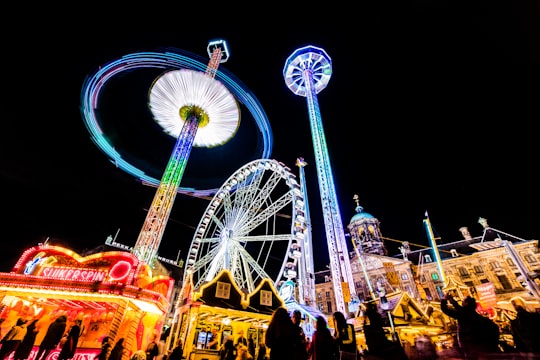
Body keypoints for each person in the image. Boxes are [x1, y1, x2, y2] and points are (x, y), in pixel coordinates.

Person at [440, 293, 500, 359]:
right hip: (479, 344)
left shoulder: (463, 315)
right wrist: (452, 301)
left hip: (470, 345)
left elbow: (446, 310)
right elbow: (461, 309)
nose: (462, 302)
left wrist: (444, 299)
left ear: (466, 303)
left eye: (463, 301)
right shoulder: (473, 314)